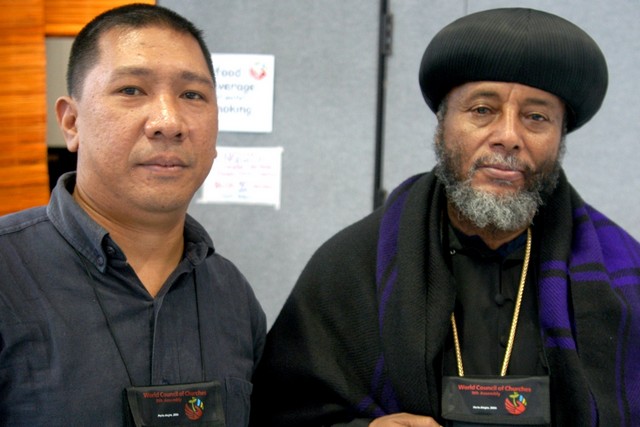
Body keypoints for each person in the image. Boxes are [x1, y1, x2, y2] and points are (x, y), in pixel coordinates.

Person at [249, 7, 640, 427]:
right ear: (442, 126)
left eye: (536, 117)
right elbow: (278, 412)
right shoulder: (351, 266)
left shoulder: (625, 276)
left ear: (559, 138)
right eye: (482, 110)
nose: (508, 136)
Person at [0, 4, 266, 426]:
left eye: (192, 95)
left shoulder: (231, 295)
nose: (169, 122)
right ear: (71, 123)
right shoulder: (8, 273)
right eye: (131, 90)